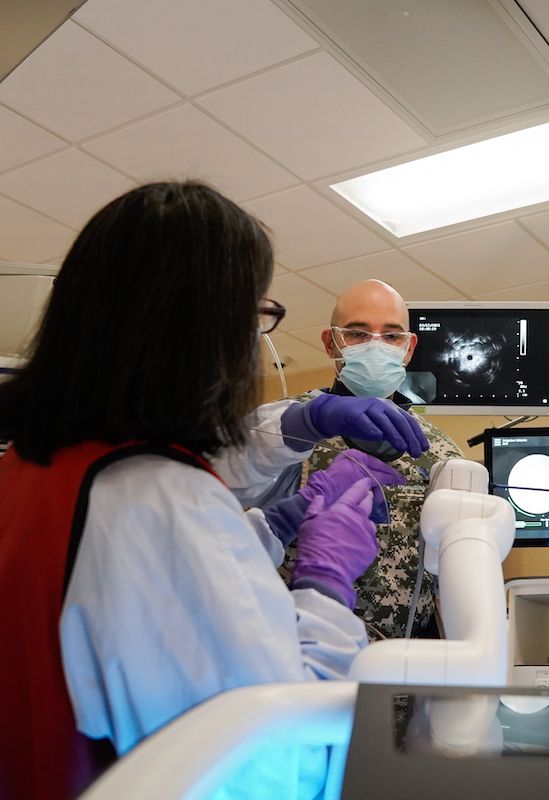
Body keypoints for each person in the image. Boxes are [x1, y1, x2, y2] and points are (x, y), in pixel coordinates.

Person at [0, 181, 400, 799]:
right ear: (202, 332)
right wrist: (325, 583)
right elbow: (271, 767)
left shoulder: (32, 467)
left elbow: (124, 600)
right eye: (254, 318)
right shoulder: (160, 498)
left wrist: (267, 529)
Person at [234, 279, 464, 641]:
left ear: (408, 348)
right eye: (357, 334)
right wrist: (311, 421)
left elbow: (453, 578)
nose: (376, 347)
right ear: (330, 343)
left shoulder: (441, 452)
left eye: (391, 336)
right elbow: (235, 461)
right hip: (293, 652)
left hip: (405, 669)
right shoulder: (288, 427)